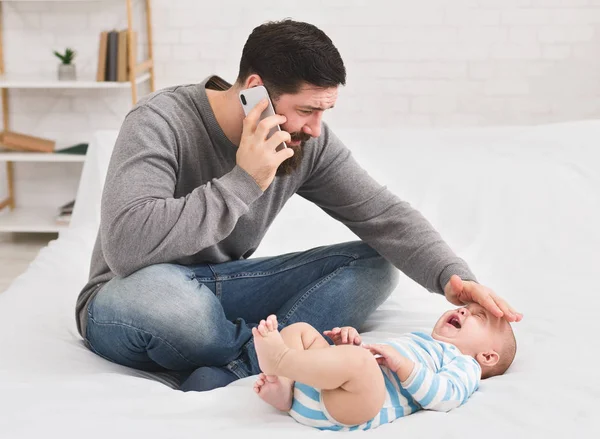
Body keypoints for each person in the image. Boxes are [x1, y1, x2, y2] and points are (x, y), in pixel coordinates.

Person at [75, 19, 522, 392]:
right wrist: (244, 181)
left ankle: (245, 363)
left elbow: (381, 214)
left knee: (374, 264)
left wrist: (454, 278)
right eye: (308, 110)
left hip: (221, 286)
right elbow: (125, 247)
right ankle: (271, 351)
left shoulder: (307, 140)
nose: (315, 127)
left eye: (324, 111)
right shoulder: (159, 122)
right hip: (130, 295)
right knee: (173, 306)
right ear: (255, 90)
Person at [252, 304, 516, 431]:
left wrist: (402, 366)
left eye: (477, 317)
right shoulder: (420, 340)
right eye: (464, 308)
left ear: (488, 356)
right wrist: (351, 344)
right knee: (302, 331)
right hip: (320, 386)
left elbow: (447, 396)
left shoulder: (465, 363)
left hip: (352, 408)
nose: (463, 311)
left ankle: (280, 360)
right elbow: (371, 361)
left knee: (361, 363)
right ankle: (284, 389)